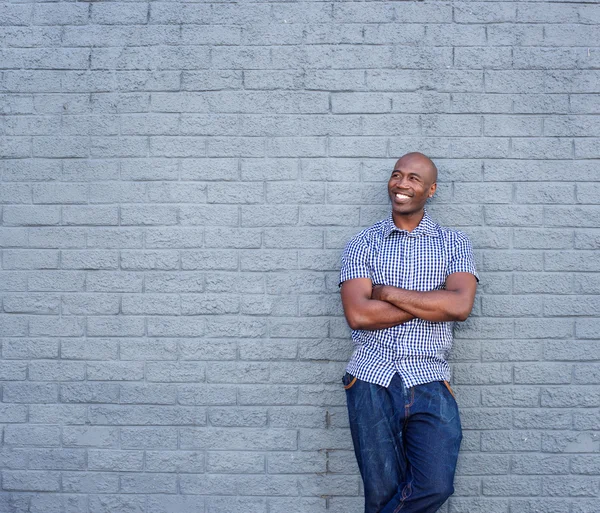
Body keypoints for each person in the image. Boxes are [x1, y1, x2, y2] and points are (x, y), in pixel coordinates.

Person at [339, 152, 479, 513]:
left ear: (431, 190)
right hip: (371, 377)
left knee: (435, 484)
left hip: (430, 376)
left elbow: (460, 307)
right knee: (382, 493)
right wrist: (432, 303)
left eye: (414, 178)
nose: (402, 184)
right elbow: (358, 314)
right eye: (397, 175)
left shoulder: (454, 243)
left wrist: (385, 293)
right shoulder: (362, 243)